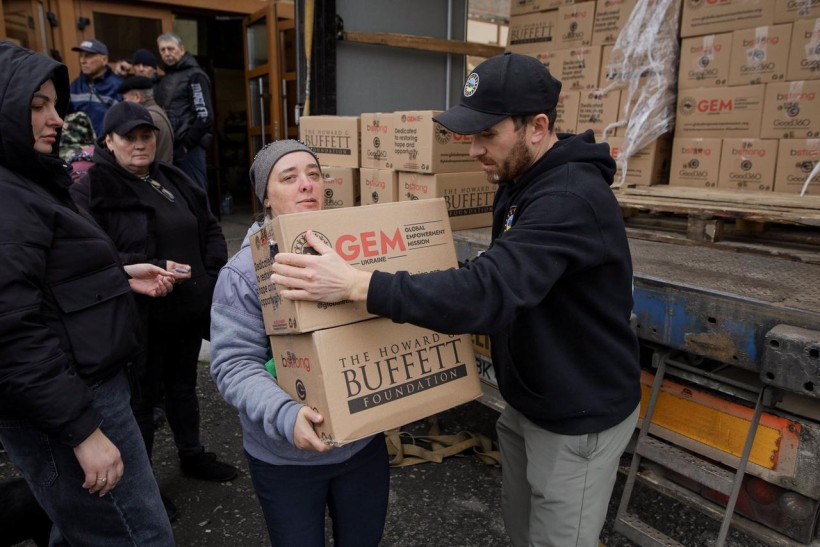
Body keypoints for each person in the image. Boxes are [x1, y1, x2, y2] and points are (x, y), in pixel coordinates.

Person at [270, 52, 642, 547]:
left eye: (487, 135)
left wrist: (358, 285)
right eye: (469, 135)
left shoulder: (568, 198)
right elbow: (499, 277)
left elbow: (487, 293)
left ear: (537, 126)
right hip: (533, 401)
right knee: (522, 530)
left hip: (577, 416)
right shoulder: (521, 181)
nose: (473, 152)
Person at [0, 40, 175, 545]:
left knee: (82, 529)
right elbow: (11, 332)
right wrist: (82, 430)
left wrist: (120, 276)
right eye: (37, 106)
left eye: (54, 104)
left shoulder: (28, 180)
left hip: (83, 389)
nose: (56, 119)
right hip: (72, 401)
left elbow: (44, 280)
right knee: (138, 536)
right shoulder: (9, 195)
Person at [209, 140, 390, 546]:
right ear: (266, 199)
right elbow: (233, 365)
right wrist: (285, 415)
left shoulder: (353, 252)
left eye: (314, 174)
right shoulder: (241, 275)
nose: (306, 184)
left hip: (362, 445)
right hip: (285, 458)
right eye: (289, 178)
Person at [70, 101, 237, 519]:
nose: (141, 144)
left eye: (147, 136)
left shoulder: (171, 176)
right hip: (138, 316)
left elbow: (209, 225)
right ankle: (144, 486)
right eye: (130, 137)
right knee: (141, 401)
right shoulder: (93, 188)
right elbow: (88, 253)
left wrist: (213, 272)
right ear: (108, 140)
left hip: (188, 308)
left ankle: (192, 454)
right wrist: (143, 269)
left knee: (183, 386)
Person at [155, 32, 214, 194]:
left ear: (181, 49)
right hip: (173, 147)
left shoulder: (194, 75)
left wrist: (187, 144)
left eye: (170, 48)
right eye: (162, 50)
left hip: (189, 148)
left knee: (195, 194)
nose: (167, 53)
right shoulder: (168, 76)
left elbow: (204, 116)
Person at [68, 38, 122, 137]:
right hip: (79, 148)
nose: (82, 61)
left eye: (88, 56)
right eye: (81, 56)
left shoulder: (118, 86)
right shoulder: (74, 86)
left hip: (106, 147)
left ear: (104, 59)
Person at [119, 75, 174, 163]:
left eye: (125, 99)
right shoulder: (157, 111)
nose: (124, 103)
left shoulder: (146, 117)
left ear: (137, 97)